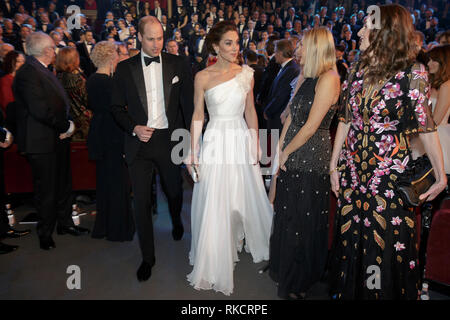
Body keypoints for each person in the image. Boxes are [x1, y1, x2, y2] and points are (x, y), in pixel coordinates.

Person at [328, 5, 447, 300]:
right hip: (353, 176)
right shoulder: (356, 70)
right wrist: (334, 166)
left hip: (388, 181)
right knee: (352, 242)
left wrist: (441, 176)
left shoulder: (412, 76)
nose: (359, 32)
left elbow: (427, 129)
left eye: (367, 26)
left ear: (384, 33)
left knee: (382, 244)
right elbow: (345, 119)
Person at [186, 21, 273, 296]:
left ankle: (238, 235)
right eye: (228, 43)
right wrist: (193, 149)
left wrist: (255, 140)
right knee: (215, 195)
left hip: (238, 137)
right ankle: (215, 250)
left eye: (237, 42)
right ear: (215, 46)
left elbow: (250, 110)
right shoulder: (202, 77)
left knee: (241, 193)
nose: (235, 48)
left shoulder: (246, 73)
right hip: (214, 139)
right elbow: (198, 114)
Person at [111, 16, 194, 282]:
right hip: (140, 144)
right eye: (151, 38)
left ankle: (177, 220)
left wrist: (191, 141)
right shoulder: (124, 69)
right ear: (139, 38)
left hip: (169, 141)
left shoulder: (179, 63)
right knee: (142, 203)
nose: (157, 44)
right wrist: (133, 127)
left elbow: (188, 107)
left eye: (160, 38)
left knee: (173, 191)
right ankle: (148, 257)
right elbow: (115, 107)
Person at [269, 27, 340, 300]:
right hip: (292, 150)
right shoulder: (306, 76)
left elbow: (311, 126)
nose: (298, 50)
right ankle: (284, 271)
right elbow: (290, 117)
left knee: (304, 220)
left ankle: (301, 280)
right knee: (287, 216)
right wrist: (280, 149)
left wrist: (287, 152)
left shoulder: (330, 78)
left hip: (311, 157)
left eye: (303, 45)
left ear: (317, 47)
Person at [13, 32, 90, 251]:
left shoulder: (43, 69)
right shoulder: (28, 73)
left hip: (56, 138)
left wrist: (65, 126)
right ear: (46, 51)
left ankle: (65, 224)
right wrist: (66, 126)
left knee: (64, 184)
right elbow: (40, 109)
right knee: (46, 190)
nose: (55, 51)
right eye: (53, 48)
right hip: (42, 141)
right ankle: (45, 233)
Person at [87, 41, 135, 242]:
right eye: (117, 54)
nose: (118, 57)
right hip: (112, 133)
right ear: (111, 57)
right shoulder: (109, 82)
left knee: (105, 181)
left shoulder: (91, 79)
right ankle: (118, 230)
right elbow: (119, 111)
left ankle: (104, 227)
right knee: (117, 181)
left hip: (99, 132)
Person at [410, 44, 450, 174]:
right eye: (429, 59)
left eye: (434, 60)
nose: (430, 63)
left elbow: (436, 119)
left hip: (437, 136)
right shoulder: (430, 82)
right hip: (422, 133)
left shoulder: (446, 86)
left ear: (443, 62)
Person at [263, 39, 300, 132]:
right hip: (275, 117)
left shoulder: (291, 69)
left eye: (275, 52)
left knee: (272, 146)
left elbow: (281, 96)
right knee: (268, 145)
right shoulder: (286, 68)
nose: (274, 55)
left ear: (280, 53)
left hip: (278, 118)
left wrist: (268, 111)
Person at [55, 47, 91, 141]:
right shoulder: (77, 79)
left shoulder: (56, 77)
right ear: (74, 60)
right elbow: (87, 100)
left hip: (66, 119)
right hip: (83, 120)